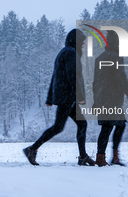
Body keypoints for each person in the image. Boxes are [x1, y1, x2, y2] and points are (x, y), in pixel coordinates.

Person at [23, 29, 95, 166]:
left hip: (64, 95)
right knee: (59, 127)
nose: (84, 44)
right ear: (76, 40)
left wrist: (50, 98)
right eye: (82, 41)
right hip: (67, 97)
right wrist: (79, 95)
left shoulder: (64, 52)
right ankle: (32, 149)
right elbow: (73, 76)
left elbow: (55, 77)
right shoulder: (71, 53)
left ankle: (83, 156)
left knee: (80, 124)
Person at [92, 30, 128, 167]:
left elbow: (96, 82)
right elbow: (122, 80)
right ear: (116, 43)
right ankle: (104, 158)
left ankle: (107, 157)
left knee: (118, 125)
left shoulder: (99, 58)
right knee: (108, 128)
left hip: (102, 98)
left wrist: (96, 100)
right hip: (112, 99)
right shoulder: (116, 57)